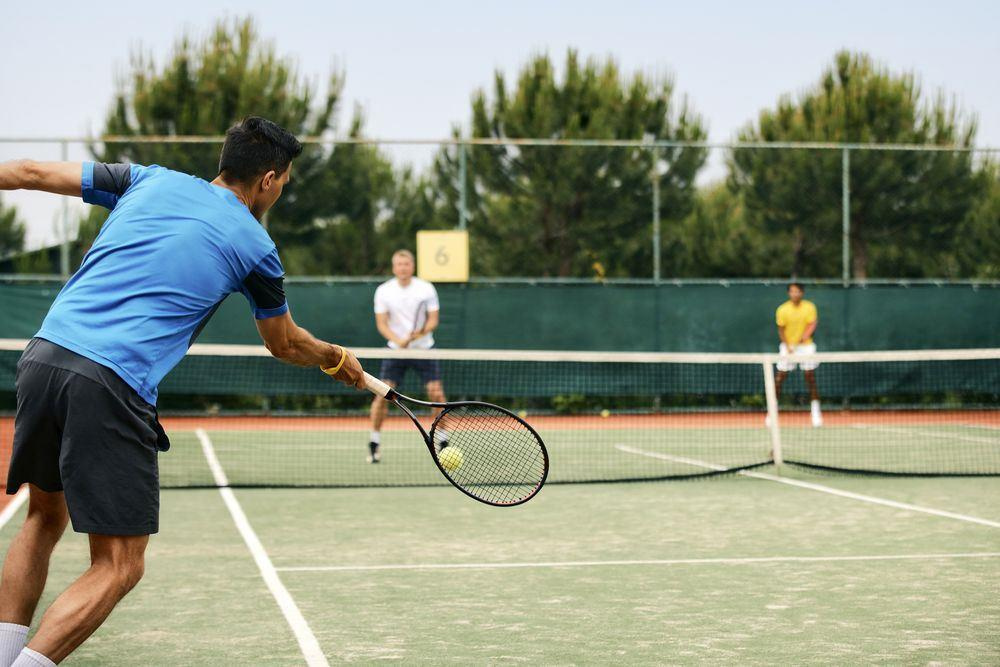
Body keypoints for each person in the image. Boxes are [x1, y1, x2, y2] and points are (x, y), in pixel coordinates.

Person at [0, 117, 366, 666]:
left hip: (43, 357)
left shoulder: (147, 179)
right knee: (120, 565)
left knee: (43, 517)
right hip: (111, 380)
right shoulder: (256, 246)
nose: (281, 192)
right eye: (284, 182)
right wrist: (335, 358)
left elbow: (29, 172)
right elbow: (284, 342)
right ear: (268, 179)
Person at [368, 250, 447, 463]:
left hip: (424, 349)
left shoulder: (426, 288)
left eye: (406, 264)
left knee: (436, 393)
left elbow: (433, 320)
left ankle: (442, 440)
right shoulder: (383, 291)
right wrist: (398, 341)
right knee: (381, 395)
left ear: (412, 266)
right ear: (394, 267)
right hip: (395, 351)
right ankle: (374, 443)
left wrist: (418, 334)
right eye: (399, 264)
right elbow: (382, 324)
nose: (403, 268)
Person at [773, 282, 823, 427]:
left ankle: (815, 413)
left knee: (810, 377)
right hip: (787, 346)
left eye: (797, 291)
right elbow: (781, 329)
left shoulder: (809, 307)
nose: (795, 294)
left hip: (806, 347)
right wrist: (788, 345)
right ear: (789, 293)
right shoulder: (782, 309)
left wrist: (803, 338)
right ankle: (772, 412)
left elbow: (812, 324)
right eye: (792, 291)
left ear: (802, 293)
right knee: (779, 378)